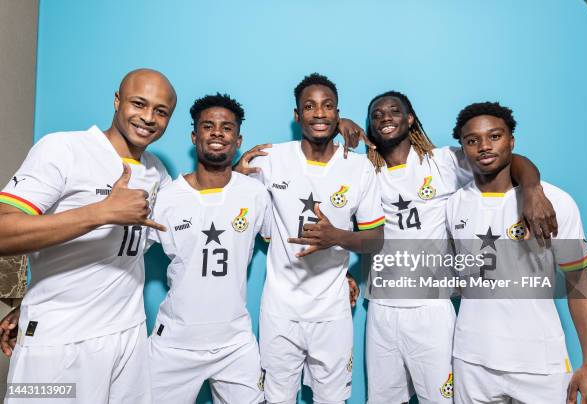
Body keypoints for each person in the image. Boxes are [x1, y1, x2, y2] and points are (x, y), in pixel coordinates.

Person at [362, 91, 559, 403]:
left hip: (433, 308)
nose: (385, 117)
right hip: (383, 307)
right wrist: (342, 125)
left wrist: (532, 189)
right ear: (370, 128)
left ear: (410, 118)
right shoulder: (365, 172)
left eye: (394, 111)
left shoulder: (443, 162)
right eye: (376, 115)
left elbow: (510, 161)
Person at [0, 69, 175, 403]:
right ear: (117, 100)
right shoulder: (63, 148)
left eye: (161, 111)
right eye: (139, 103)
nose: (148, 118)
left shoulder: (156, 171)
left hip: (128, 338)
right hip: (56, 344)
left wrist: (235, 178)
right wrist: (101, 212)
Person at [236, 73, 384, 404]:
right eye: (310, 106)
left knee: (331, 399)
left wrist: (338, 237)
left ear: (338, 113)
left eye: (328, 106)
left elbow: (375, 240)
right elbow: (236, 211)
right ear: (297, 115)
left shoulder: (359, 168)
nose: (319, 113)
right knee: (277, 398)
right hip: (280, 309)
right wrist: (235, 172)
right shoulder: (270, 159)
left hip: (332, 311)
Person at [446, 101, 587, 404]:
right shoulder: (454, 204)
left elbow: (580, 283)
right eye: (472, 140)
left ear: (512, 141)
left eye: (495, 136)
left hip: (539, 363)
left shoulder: (554, 201)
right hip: (471, 361)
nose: (484, 146)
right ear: (463, 148)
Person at [145, 93, 269, 403]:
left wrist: (338, 272)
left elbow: (284, 246)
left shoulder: (254, 194)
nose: (217, 133)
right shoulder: (166, 197)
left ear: (238, 139)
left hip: (235, 344)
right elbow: (123, 257)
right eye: (208, 126)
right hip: (174, 343)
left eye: (226, 127)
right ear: (194, 135)